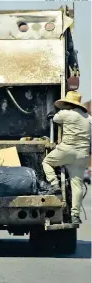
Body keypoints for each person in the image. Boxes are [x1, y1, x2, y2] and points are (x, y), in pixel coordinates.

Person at [42, 91, 91, 224]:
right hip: (82, 154)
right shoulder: (88, 118)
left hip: (66, 150)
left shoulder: (66, 114)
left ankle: (54, 184)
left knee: (46, 162)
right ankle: (75, 215)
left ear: (68, 104)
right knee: (77, 184)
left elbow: (55, 119)